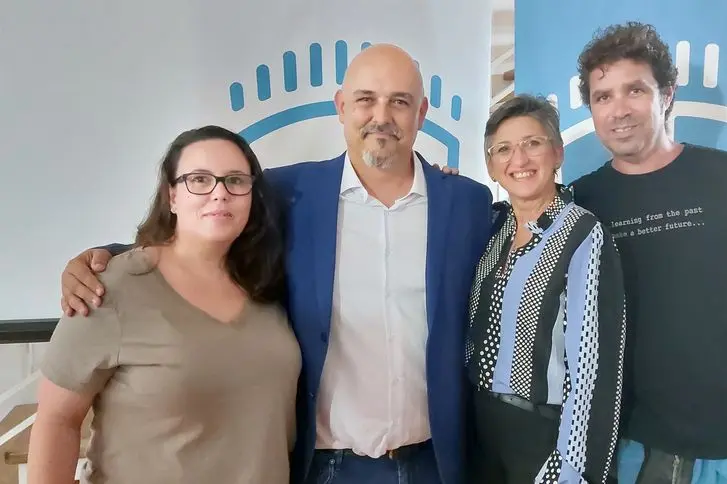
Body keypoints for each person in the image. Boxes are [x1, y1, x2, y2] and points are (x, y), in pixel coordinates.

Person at [57, 44, 494, 484]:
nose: (381, 115)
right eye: (365, 99)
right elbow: (200, 237)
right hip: (325, 468)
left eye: (400, 101)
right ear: (341, 107)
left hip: (435, 465)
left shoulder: (468, 203)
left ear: (421, 113)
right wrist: (105, 258)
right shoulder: (286, 193)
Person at [569, 22, 727, 484]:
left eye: (634, 90)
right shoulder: (582, 203)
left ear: (667, 94)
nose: (618, 110)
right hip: (633, 447)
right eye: (603, 97)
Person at [28, 125, 301, 484]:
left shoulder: (268, 287)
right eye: (199, 180)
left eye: (235, 180)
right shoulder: (109, 289)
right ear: (171, 196)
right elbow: (56, 420)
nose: (219, 193)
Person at [466, 94, 626, 484]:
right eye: (503, 149)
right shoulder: (493, 230)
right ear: (491, 166)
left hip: (542, 436)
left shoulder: (582, 234)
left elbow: (592, 369)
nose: (518, 160)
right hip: (482, 429)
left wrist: (570, 469)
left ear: (557, 153)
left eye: (532, 144)